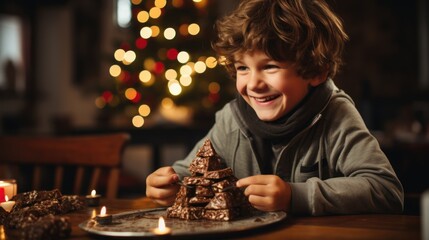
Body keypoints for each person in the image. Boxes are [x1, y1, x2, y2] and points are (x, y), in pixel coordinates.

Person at [146, 0, 404, 216]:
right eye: (242, 68)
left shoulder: (336, 115)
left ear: (316, 71)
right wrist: (168, 184)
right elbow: (189, 172)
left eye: (270, 66)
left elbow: (385, 190)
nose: (254, 84)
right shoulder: (230, 119)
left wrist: (295, 196)